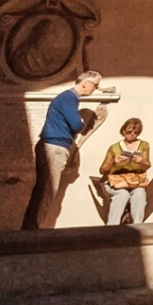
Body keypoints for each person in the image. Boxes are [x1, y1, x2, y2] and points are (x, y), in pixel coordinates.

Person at [22, 70, 102, 229]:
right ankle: (33, 231)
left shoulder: (67, 98)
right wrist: (80, 121)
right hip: (56, 147)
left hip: (51, 145)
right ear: (85, 84)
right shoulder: (69, 98)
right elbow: (77, 124)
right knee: (49, 190)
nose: (96, 88)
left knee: (42, 189)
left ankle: (30, 228)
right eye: (96, 84)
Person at [99, 117, 152, 225]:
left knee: (140, 193)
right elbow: (102, 169)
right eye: (129, 132)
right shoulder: (114, 148)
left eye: (135, 132)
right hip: (117, 182)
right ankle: (112, 227)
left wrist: (141, 161)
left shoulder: (144, 145)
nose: (132, 134)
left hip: (135, 182)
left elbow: (147, 165)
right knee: (122, 194)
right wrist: (114, 161)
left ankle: (137, 226)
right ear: (123, 131)